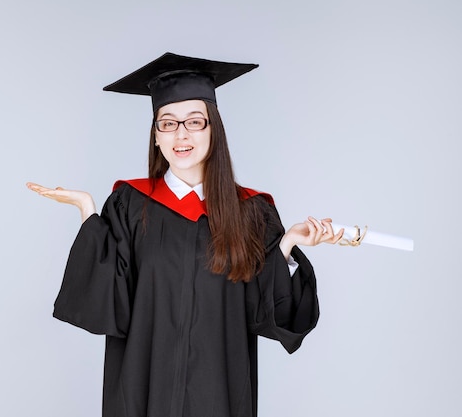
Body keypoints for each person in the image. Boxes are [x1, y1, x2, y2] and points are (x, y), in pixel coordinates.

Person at [27, 52, 343, 417]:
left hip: (219, 394)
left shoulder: (252, 212)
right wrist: (88, 212)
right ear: (156, 137)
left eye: (195, 122)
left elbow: (265, 315)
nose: (181, 134)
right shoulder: (130, 205)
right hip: (144, 392)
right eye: (167, 123)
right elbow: (109, 305)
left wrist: (285, 246)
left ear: (214, 130)